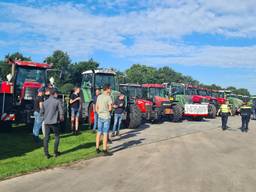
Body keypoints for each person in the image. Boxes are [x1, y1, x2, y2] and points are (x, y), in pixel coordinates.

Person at [41, 88, 64, 159]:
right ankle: (55, 152)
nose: (57, 95)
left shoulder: (45, 102)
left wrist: (44, 118)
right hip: (54, 122)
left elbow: (41, 113)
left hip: (46, 122)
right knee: (57, 136)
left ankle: (46, 154)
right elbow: (61, 111)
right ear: (54, 93)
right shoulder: (57, 101)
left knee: (46, 138)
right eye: (57, 93)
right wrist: (61, 118)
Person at [95, 84, 113, 156]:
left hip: (100, 116)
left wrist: (99, 112)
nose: (111, 90)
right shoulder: (109, 97)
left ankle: (97, 148)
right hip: (106, 117)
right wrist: (108, 110)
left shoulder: (99, 96)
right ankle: (104, 149)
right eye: (110, 88)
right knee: (105, 133)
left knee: (99, 132)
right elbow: (110, 108)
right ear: (107, 89)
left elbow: (96, 107)